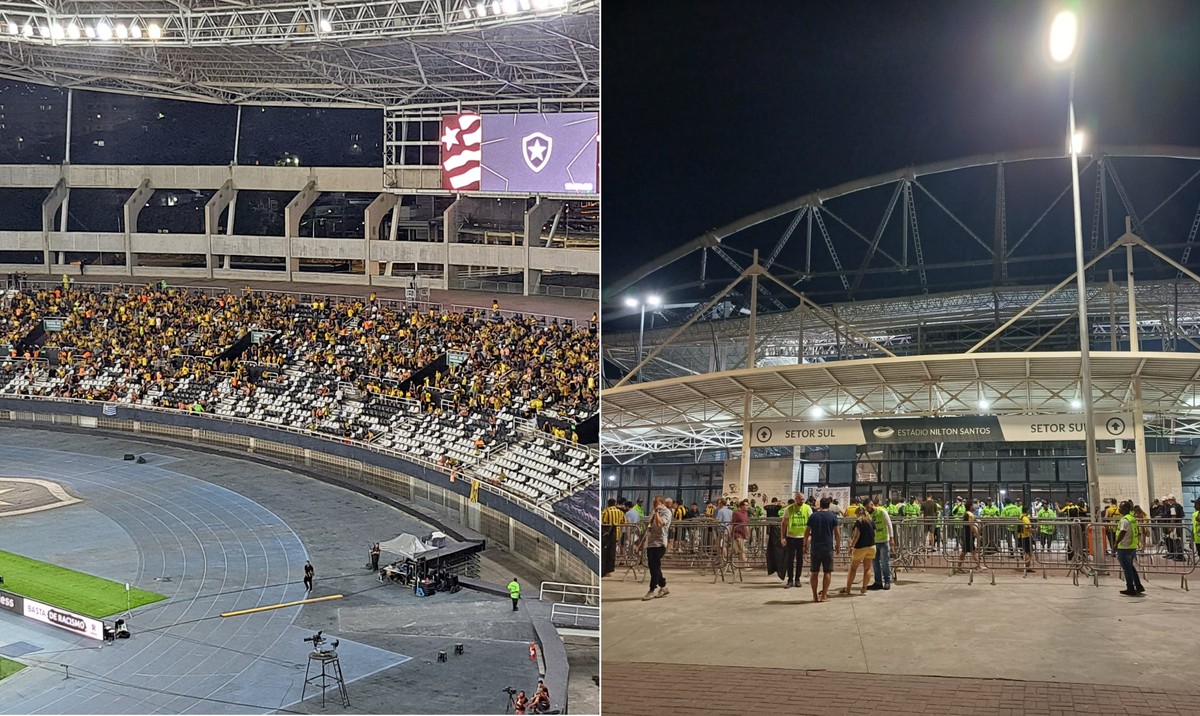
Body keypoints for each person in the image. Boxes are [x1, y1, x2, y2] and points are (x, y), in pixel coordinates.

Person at [806, 497, 840, 602]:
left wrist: (804, 544)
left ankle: (815, 596)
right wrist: (838, 545)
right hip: (827, 547)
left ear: (820, 504)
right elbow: (837, 533)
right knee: (827, 572)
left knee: (814, 572)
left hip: (815, 547)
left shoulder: (813, 516)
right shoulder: (833, 517)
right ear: (829, 505)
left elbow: (807, 532)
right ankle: (824, 595)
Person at [841, 506, 876, 595]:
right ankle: (864, 588)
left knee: (853, 568)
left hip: (860, 547)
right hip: (871, 546)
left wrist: (851, 547)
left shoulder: (859, 522)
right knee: (867, 568)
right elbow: (874, 533)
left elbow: (856, 535)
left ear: (858, 514)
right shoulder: (871, 521)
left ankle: (848, 588)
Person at [779, 492, 812, 588]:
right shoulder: (789, 509)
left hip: (802, 537)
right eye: (800, 499)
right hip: (791, 537)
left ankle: (797, 579)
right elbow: (783, 524)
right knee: (790, 559)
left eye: (803, 499)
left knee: (800, 559)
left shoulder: (807, 508)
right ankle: (790, 579)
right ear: (795, 499)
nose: (802, 501)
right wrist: (782, 537)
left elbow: (811, 523)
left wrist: (809, 536)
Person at [643, 495, 672, 600]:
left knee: (654, 567)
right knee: (653, 567)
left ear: (662, 503)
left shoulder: (666, 512)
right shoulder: (653, 512)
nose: (654, 505)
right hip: (651, 542)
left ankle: (652, 589)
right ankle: (663, 586)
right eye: (653, 503)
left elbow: (660, 524)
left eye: (656, 503)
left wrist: (657, 513)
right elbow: (649, 527)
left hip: (660, 543)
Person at [1114, 501, 1145, 596]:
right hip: (1131, 546)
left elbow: (1122, 532)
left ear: (1126, 509)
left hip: (1124, 547)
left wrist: (1116, 543)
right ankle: (1138, 586)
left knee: (1127, 569)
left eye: (1121, 507)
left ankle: (1130, 588)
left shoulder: (1124, 520)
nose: (1119, 509)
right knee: (1131, 567)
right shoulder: (1131, 518)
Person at [867, 498, 895, 590]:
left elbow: (889, 524)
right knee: (875, 563)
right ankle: (878, 582)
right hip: (874, 541)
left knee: (885, 562)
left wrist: (891, 538)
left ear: (872, 505)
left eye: (868, 507)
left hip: (884, 541)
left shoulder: (882, 511)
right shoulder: (868, 515)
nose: (867, 510)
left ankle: (887, 581)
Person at [954, 501, 981, 574]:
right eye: (972, 505)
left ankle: (978, 566)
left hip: (967, 534)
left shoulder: (967, 514)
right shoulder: (969, 514)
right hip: (968, 535)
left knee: (971, 551)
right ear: (970, 507)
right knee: (966, 552)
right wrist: (977, 534)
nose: (974, 507)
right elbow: (971, 526)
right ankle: (958, 567)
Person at [601, 498, 625, 577]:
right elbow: (624, 522)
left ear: (608, 503)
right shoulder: (620, 512)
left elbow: (602, 522)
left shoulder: (606, 512)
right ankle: (609, 570)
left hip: (606, 535)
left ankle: (604, 570)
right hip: (616, 535)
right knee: (612, 553)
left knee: (605, 553)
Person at [730, 499, 750, 565]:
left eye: (748, 505)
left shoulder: (746, 514)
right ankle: (745, 564)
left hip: (742, 533)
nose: (747, 506)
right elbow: (732, 523)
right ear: (742, 506)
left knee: (736, 550)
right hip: (737, 534)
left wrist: (747, 533)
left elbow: (746, 524)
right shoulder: (736, 513)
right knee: (742, 549)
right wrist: (730, 533)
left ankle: (729, 564)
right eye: (746, 505)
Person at [1017, 505, 1034, 573]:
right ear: (1027, 511)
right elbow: (1027, 527)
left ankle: (1027, 566)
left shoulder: (1020, 517)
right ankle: (1027, 566)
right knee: (1028, 552)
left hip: (1020, 536)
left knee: (1026, 552)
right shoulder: (1025, 518)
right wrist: (1033, 530)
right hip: (1026, 536)